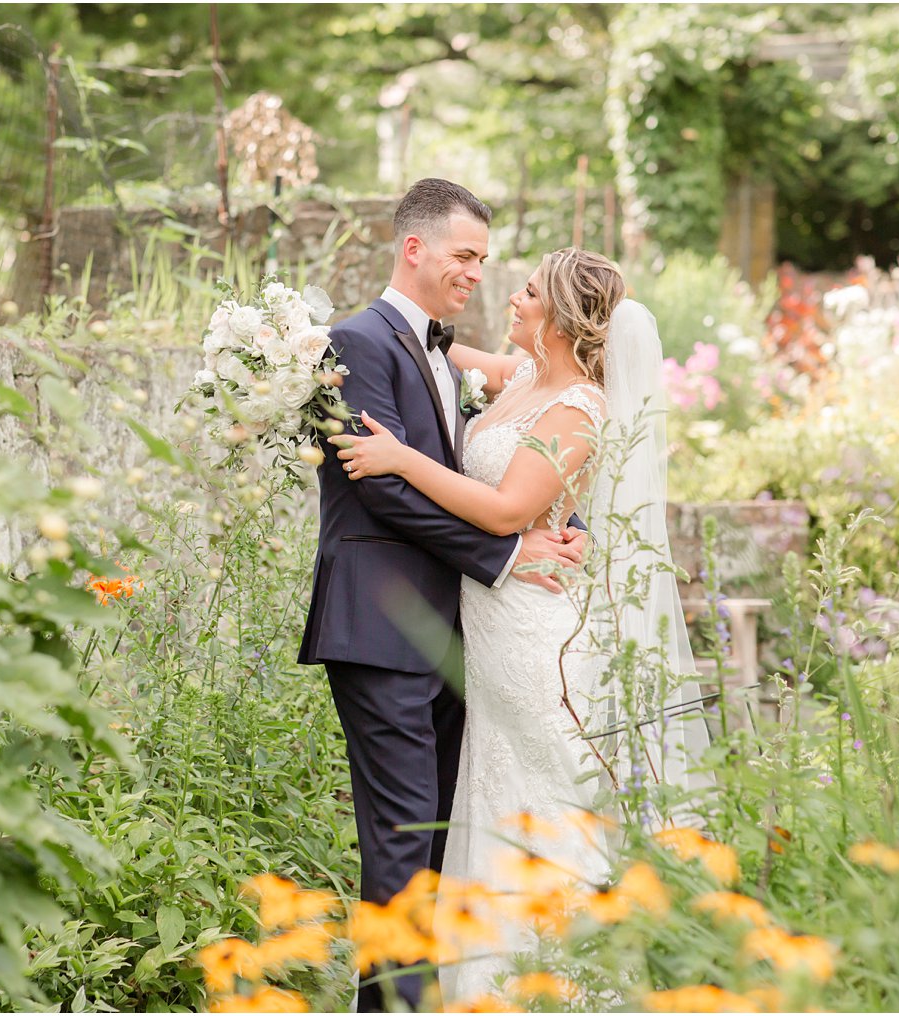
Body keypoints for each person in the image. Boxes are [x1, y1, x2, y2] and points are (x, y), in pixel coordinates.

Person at [335, 247, 712, 1004]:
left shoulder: (577, 406)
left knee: (548, 802)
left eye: (529, 291)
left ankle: (570, 985)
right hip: (491, 630)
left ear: (564, 318)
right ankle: (485, 987)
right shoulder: (521, 379)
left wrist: (400, 458)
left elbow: (508, 510)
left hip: (536, 635)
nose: (511, 296)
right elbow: (428, 344)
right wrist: (299, 338)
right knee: (492, 800)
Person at [296, 179, 587, 1013]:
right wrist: (505, 552)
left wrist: (561, 526)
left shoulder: (438, 349)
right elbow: (381, 490)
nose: (476, 275)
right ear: (413, 248)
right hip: (379, 625)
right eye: (465, 256)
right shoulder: (353, 341)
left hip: (451, 633)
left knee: (433, 836)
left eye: (485, 261)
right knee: (401, 839)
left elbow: (511, 458)